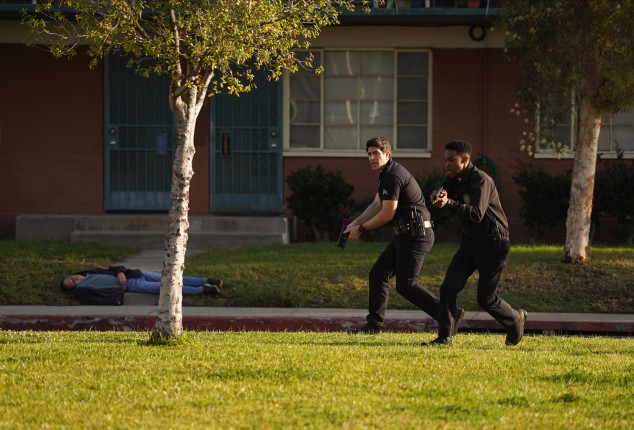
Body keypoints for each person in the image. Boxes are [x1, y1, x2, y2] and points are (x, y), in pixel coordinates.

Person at [344, 136, 464, 334]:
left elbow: (387, 214)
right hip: (405, 234)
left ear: (387, 154)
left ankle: (450, 313)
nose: (372, 158)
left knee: (406, 285)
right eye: (369, 154)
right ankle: (373, 326)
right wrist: (354, 223)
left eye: (376, 153)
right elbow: (376, 204)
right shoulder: (386, 173)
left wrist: (362, 229)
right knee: (378, 274)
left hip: (417, 235)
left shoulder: (393, 175)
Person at [425, 139, 527, 346]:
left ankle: (516, 318)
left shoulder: (482, 180)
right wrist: (436, 195)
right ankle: (445, 337)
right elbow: (441, 192)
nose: (447, 164)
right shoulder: (452, 178)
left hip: (494, 245)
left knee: (485, 299)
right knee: (448, 287)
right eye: (445, 160)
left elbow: (476, 214)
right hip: (470, 244)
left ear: (465, 160)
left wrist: (449, 202)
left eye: (451, 160)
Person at [60, 265, 223, 306]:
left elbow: (114, 268)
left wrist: (120, 272)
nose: (74, 279)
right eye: (72, 283)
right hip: (133, 285)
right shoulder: (84, 290)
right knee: (167, 287)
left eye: (71, 277)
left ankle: (208, 280)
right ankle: (204, 289)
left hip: (134, 274)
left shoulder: (91, 272)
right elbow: (94, 300)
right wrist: (114, 301)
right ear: (75, 287)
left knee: (172, 277)